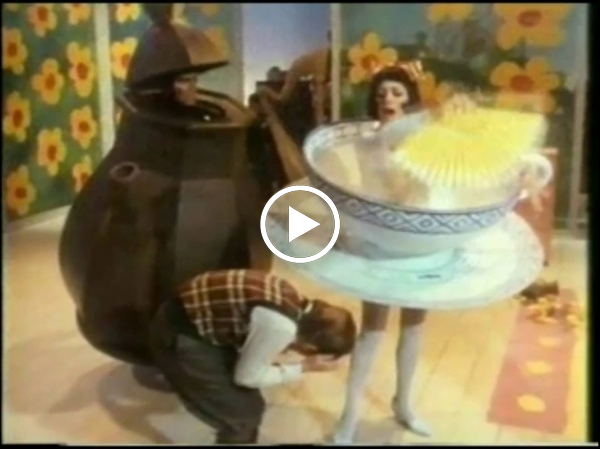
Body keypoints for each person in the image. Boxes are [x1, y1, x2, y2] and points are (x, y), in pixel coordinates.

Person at [333, 62, 435, 443]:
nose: (387, 99)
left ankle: (404, 405)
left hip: (417, 238)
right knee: (372, 331)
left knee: (414, 327)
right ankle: (349, 416)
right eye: (381, 94)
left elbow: (428, 185)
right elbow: (364, 185)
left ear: (409, 99)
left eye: (396, 93)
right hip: (379, 239)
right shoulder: (367, 141)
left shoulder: (426, 140)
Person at [148, 269, 357, 444]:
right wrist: (304, 366)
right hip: (177, 335)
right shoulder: (280, 327)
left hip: (185, 314)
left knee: (250, 402)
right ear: (309, 347)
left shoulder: (290, 297)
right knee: (244, 417)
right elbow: (246, 377)